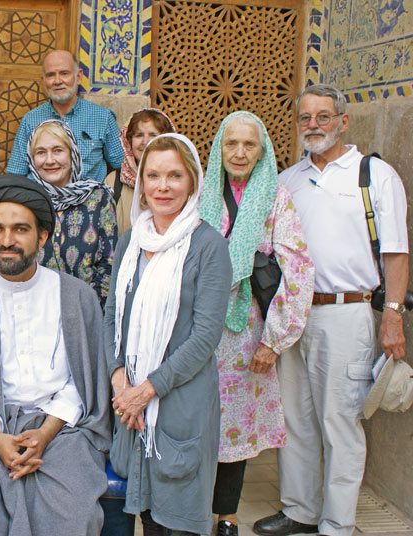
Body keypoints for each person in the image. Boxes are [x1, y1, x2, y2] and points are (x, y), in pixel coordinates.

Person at [254, 85, 408, 536]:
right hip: (292, 314)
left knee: (340, 420)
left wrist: (394, 315)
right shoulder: (288, 180)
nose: (313, 125)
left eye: (323, 116)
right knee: (295, 417)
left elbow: (396, 253)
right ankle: (300, 509)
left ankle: (337, 523)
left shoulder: (374, 175)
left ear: (344, 121)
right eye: (305, 118)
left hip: (347, 312)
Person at [0, 174, 111, 535]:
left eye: (20, 229)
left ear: (42, 236)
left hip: (60, 430)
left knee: (71, 513)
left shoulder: (77, 297)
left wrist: (45, 433)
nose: (7, 241)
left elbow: (85, 381)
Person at [104, 134, 232, 535]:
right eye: (154, 175)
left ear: (192, 182)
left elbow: (205, 336)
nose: (162, 186)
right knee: (146, 514)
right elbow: (112, 314)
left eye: (174, 175)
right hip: (133, 401)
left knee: (178, 518)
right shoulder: (131, 241)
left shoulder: (208, 245)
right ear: (141, 182)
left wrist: (147, 391)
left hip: (180, 399)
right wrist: (118, 375)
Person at [199, 112, 314, 536]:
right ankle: (193, 511)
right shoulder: (201, 193)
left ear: (262, 149)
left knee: (234, 428)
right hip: (199, 327)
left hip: (247, 333)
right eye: (232, 144)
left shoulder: (275, 197)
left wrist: (274, 341)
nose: (240, 152)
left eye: (249, 144)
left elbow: (298, 268)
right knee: (196, 421)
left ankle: (226, 517)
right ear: (219, 147)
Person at [27, 119, 117, 306]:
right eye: (41, 152)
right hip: (31, 313)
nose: (50, 160)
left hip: (85, 314)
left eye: (58, 150)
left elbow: (110, 264)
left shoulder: (98, 198)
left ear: (72, 153)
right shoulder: (24, 200)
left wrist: (88, 311)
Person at [6, 49, 124, 182]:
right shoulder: (30, 120)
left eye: (64, 73)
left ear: (78, 77)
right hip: (41, 199)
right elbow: (16, 175)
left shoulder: (102, 117)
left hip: (89, 200)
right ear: (43, 81)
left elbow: (123, 167)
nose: (57, 81)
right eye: (50, 75)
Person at [105, 108, 176, 234]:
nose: (146, 142)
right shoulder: (113, 181)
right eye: (139, 135)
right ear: (129, 141)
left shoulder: (178, 181)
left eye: (153, 135)